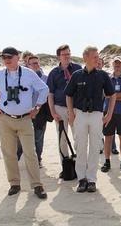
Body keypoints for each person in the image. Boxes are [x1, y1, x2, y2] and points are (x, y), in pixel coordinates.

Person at [0, 46, 48, 198]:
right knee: (9, 153)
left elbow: (44, 89)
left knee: (30, 153)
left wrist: (37, 107)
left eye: (9, 57)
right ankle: (14, 183)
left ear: (18, 58)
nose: (6, 60)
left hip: (25, 120)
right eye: (4, 57)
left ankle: (37, 185)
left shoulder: (28, 74)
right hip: (5, 119)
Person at [64, 46, 116, 193]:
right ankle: (82, 179)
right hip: (79, 114)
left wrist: (109, 114)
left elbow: (112, 95)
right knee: (80, 146)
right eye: (94, 57)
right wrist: (71, 113)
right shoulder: (76, 75)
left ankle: (92, 179)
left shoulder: (102, 75)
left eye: (97, 57)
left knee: (94, 147)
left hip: (96, 115)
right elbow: (68, 95)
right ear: (86, 59)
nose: (97, 59)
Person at [47, 44, 82, 177]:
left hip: (75, 108)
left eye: (68, 54)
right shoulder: (54, 73)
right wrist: (52, 112)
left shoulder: (77, 69)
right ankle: (66, 167)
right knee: (62, 138)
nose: (67, 56)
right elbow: (50, 94)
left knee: (78, 137)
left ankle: (79, 166)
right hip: (59, 108)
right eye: (64, 54)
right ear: (59, 57)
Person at [101, 56, 121, 173]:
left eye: (120, 63)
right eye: (116, 63)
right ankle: (107, 162)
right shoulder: (107, 78)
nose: (117, 65)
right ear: (112, 64)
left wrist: (113, 95)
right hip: (108, 112)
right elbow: (106, 94)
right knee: (108, 137)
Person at [16, 56, 49, 167]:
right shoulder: (22, 78)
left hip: (41, 113)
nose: (36, 65)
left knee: (38, 138)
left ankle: (38, 158)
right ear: (28, 66)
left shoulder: (45, 78)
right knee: (20, 138)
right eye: (33, 63)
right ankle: (16, 158)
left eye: (37, 63)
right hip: (25, 113)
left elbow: (50, 94)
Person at [97, 57, 118, 155]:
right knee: (99, 128)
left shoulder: (107, 76)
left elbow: (110, 92)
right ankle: (100, 147)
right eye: (96, 63)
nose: (98, 65)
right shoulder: (91, 75)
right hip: (96, 106)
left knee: (109, 127)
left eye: (99, 63)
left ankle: (113, 147)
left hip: (106, 104)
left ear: (103, 65)